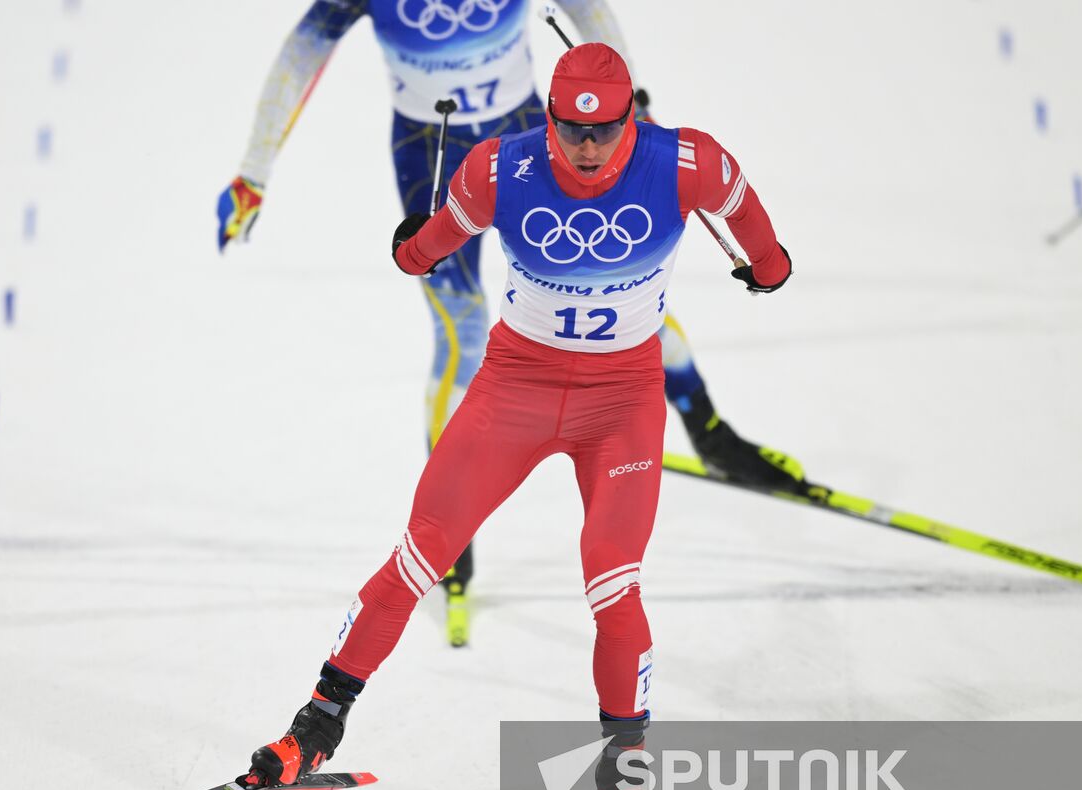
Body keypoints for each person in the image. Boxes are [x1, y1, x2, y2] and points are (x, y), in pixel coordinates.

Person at [246, 44, 793, 790]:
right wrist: (412, 246)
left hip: (621, 404)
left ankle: (627, 766)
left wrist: (766, 265)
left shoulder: (687, 162)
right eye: (572, 130)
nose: (588, 148)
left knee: (612, 576)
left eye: (604, 131)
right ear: (551, 118)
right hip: (516, 389)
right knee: (419, 555)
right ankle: (315, 727)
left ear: (631, 117)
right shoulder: (499, 169)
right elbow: (428, 250)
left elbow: (749, 221)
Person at [216, 0, 804, 645]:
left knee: (619, 291)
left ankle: (710, 432)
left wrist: (628, 110)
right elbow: (308, 47)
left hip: (532, 130)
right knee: (461, 326)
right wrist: (254, 170)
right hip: (432, 146)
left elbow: (589, 14)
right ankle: (450, 551)